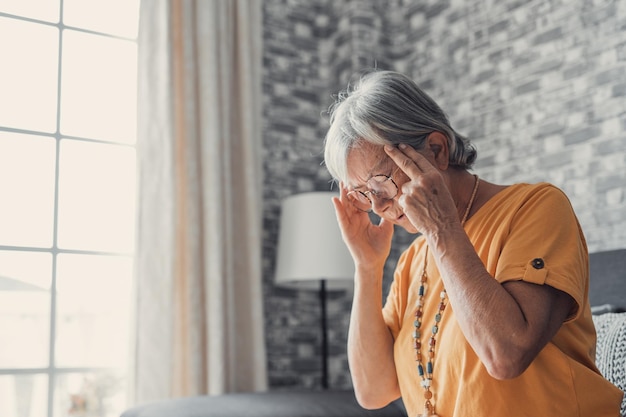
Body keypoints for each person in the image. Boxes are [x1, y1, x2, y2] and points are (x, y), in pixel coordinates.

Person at [323, 70, 623, 417]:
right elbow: (373, 391)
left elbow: (506, 354)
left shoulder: (536, 208)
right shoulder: (413, 260)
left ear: (436, 150)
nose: (377, 206)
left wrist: (441, 229)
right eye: (364, 193)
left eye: (381, 182)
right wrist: (367, 266)